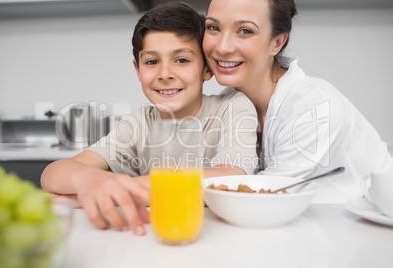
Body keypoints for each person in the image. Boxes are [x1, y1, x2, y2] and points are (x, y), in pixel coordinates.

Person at [41, 2, 258, 235]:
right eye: (152, 62)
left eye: (182, 60)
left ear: (207, 69)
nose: (165, 74)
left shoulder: (232, 107)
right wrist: (86, 181)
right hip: (147, 236)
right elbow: (52, 175)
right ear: (137, 69)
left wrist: (112, 190)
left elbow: (230, 179)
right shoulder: (137, 124)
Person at [202, 0, 391, 203]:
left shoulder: (315, 107)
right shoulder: (229, 101)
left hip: (376, 220)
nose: (222, 47)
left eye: (245, 31)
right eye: (213, 28)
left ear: (277, 42)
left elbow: (258, 197)